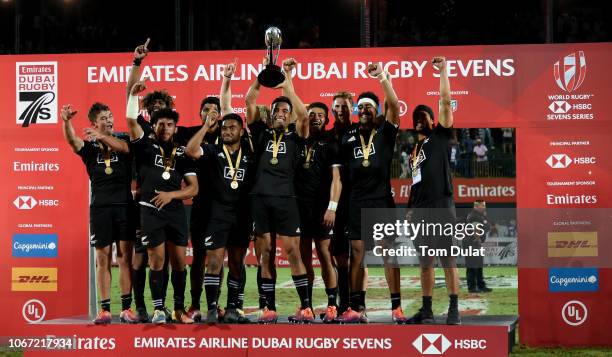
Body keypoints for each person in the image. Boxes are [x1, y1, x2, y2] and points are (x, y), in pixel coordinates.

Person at [337, 63, 406, 324]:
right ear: (357, 111)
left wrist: (382, 78)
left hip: (381, 200)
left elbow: (394, 104)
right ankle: (357, 307)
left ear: (376, 110)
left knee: (389, 251)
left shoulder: (385, 133)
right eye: (361, 106)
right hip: (356, 201)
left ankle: (396, 307)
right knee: (357, 253)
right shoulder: (348, 136)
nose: (364, 109)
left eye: (369, 106)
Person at [245, 57, 312, 324]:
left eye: (286, 110)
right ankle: (267, 307)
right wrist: (262, 76)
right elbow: (250, 101)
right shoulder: (260, 131)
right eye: (277, 110)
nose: (282, 113)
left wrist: (286, 81)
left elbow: (304, 114)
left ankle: (306, 307)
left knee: (293, 252)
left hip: (286, 198)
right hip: (260, 199)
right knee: (265, 253)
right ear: (271, 114)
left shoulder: (297, 134)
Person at [126, 81, 199, 324]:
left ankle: (178, 309)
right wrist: (133, 96)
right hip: (150, 210)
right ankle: (158, 309)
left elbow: (193, 188)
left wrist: (171, 195)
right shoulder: (145, 145)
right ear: (153, 125)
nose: (165, 128)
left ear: (175, 128)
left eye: (169, 124)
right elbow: (130, 119)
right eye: (160, 124)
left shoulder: (182, 153)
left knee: (178, 262)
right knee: (155, 260)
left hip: (175, 211)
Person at [61, 103, 137, 324]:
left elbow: (123, 148)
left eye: (111, 116)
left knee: (125, 258)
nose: (110, 120)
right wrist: (67, 122)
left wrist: (101, 136)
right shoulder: (90, 149)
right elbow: (73, 142)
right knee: (102, 259)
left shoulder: (122, 140)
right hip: (100, 209)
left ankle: (126, 308)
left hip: (124, 207)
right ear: (94, 123)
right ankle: (104, 310)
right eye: (104, 118)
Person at [407, 56, 461, 325]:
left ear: (433, 120)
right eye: (415, 116)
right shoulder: (413, 151)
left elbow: (444, 100)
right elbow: (414, 183)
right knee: (425, 260)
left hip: (442, 205)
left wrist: (444, 72)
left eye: (423, 115)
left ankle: (454, 308)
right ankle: (427, 309)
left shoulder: (441, 136)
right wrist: (410, 210)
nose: (418, 118)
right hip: (421, 210)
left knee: (447, 258)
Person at [186, 113, 254, 324]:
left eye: (232, 128)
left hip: (242, 215)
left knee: (236, 263)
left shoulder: (251, 154)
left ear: (241, 131)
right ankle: (212, 308)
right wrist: (207, 126)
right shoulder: (212, 150)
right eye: (224, 128)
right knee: (214, 262)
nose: (227, 131)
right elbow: (190, 150)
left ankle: (233, 308)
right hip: (218, 215)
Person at [295, 102, 342, 323]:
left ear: (326, 119)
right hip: (299, 208)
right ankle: (307, 306)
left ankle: (332, 305)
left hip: (322, 208)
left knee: (325, 255)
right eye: (311, 114)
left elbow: (336, 179)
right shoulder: (297, 140)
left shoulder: (331, 143)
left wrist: (332, 207)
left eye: (320, 115)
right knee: (304, 258)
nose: (315, 118)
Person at [464, 200, 492, 293]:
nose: (484, 207)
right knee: (473, 265)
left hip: (474, 243)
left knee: (479, 265)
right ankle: (472, 287)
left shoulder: (479, 215)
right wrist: (478, 239)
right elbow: (475, 227)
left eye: (484, 205)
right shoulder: (474, 215)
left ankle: (481, 285)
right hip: (472, 242)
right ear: (476, 206)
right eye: (482, 205)